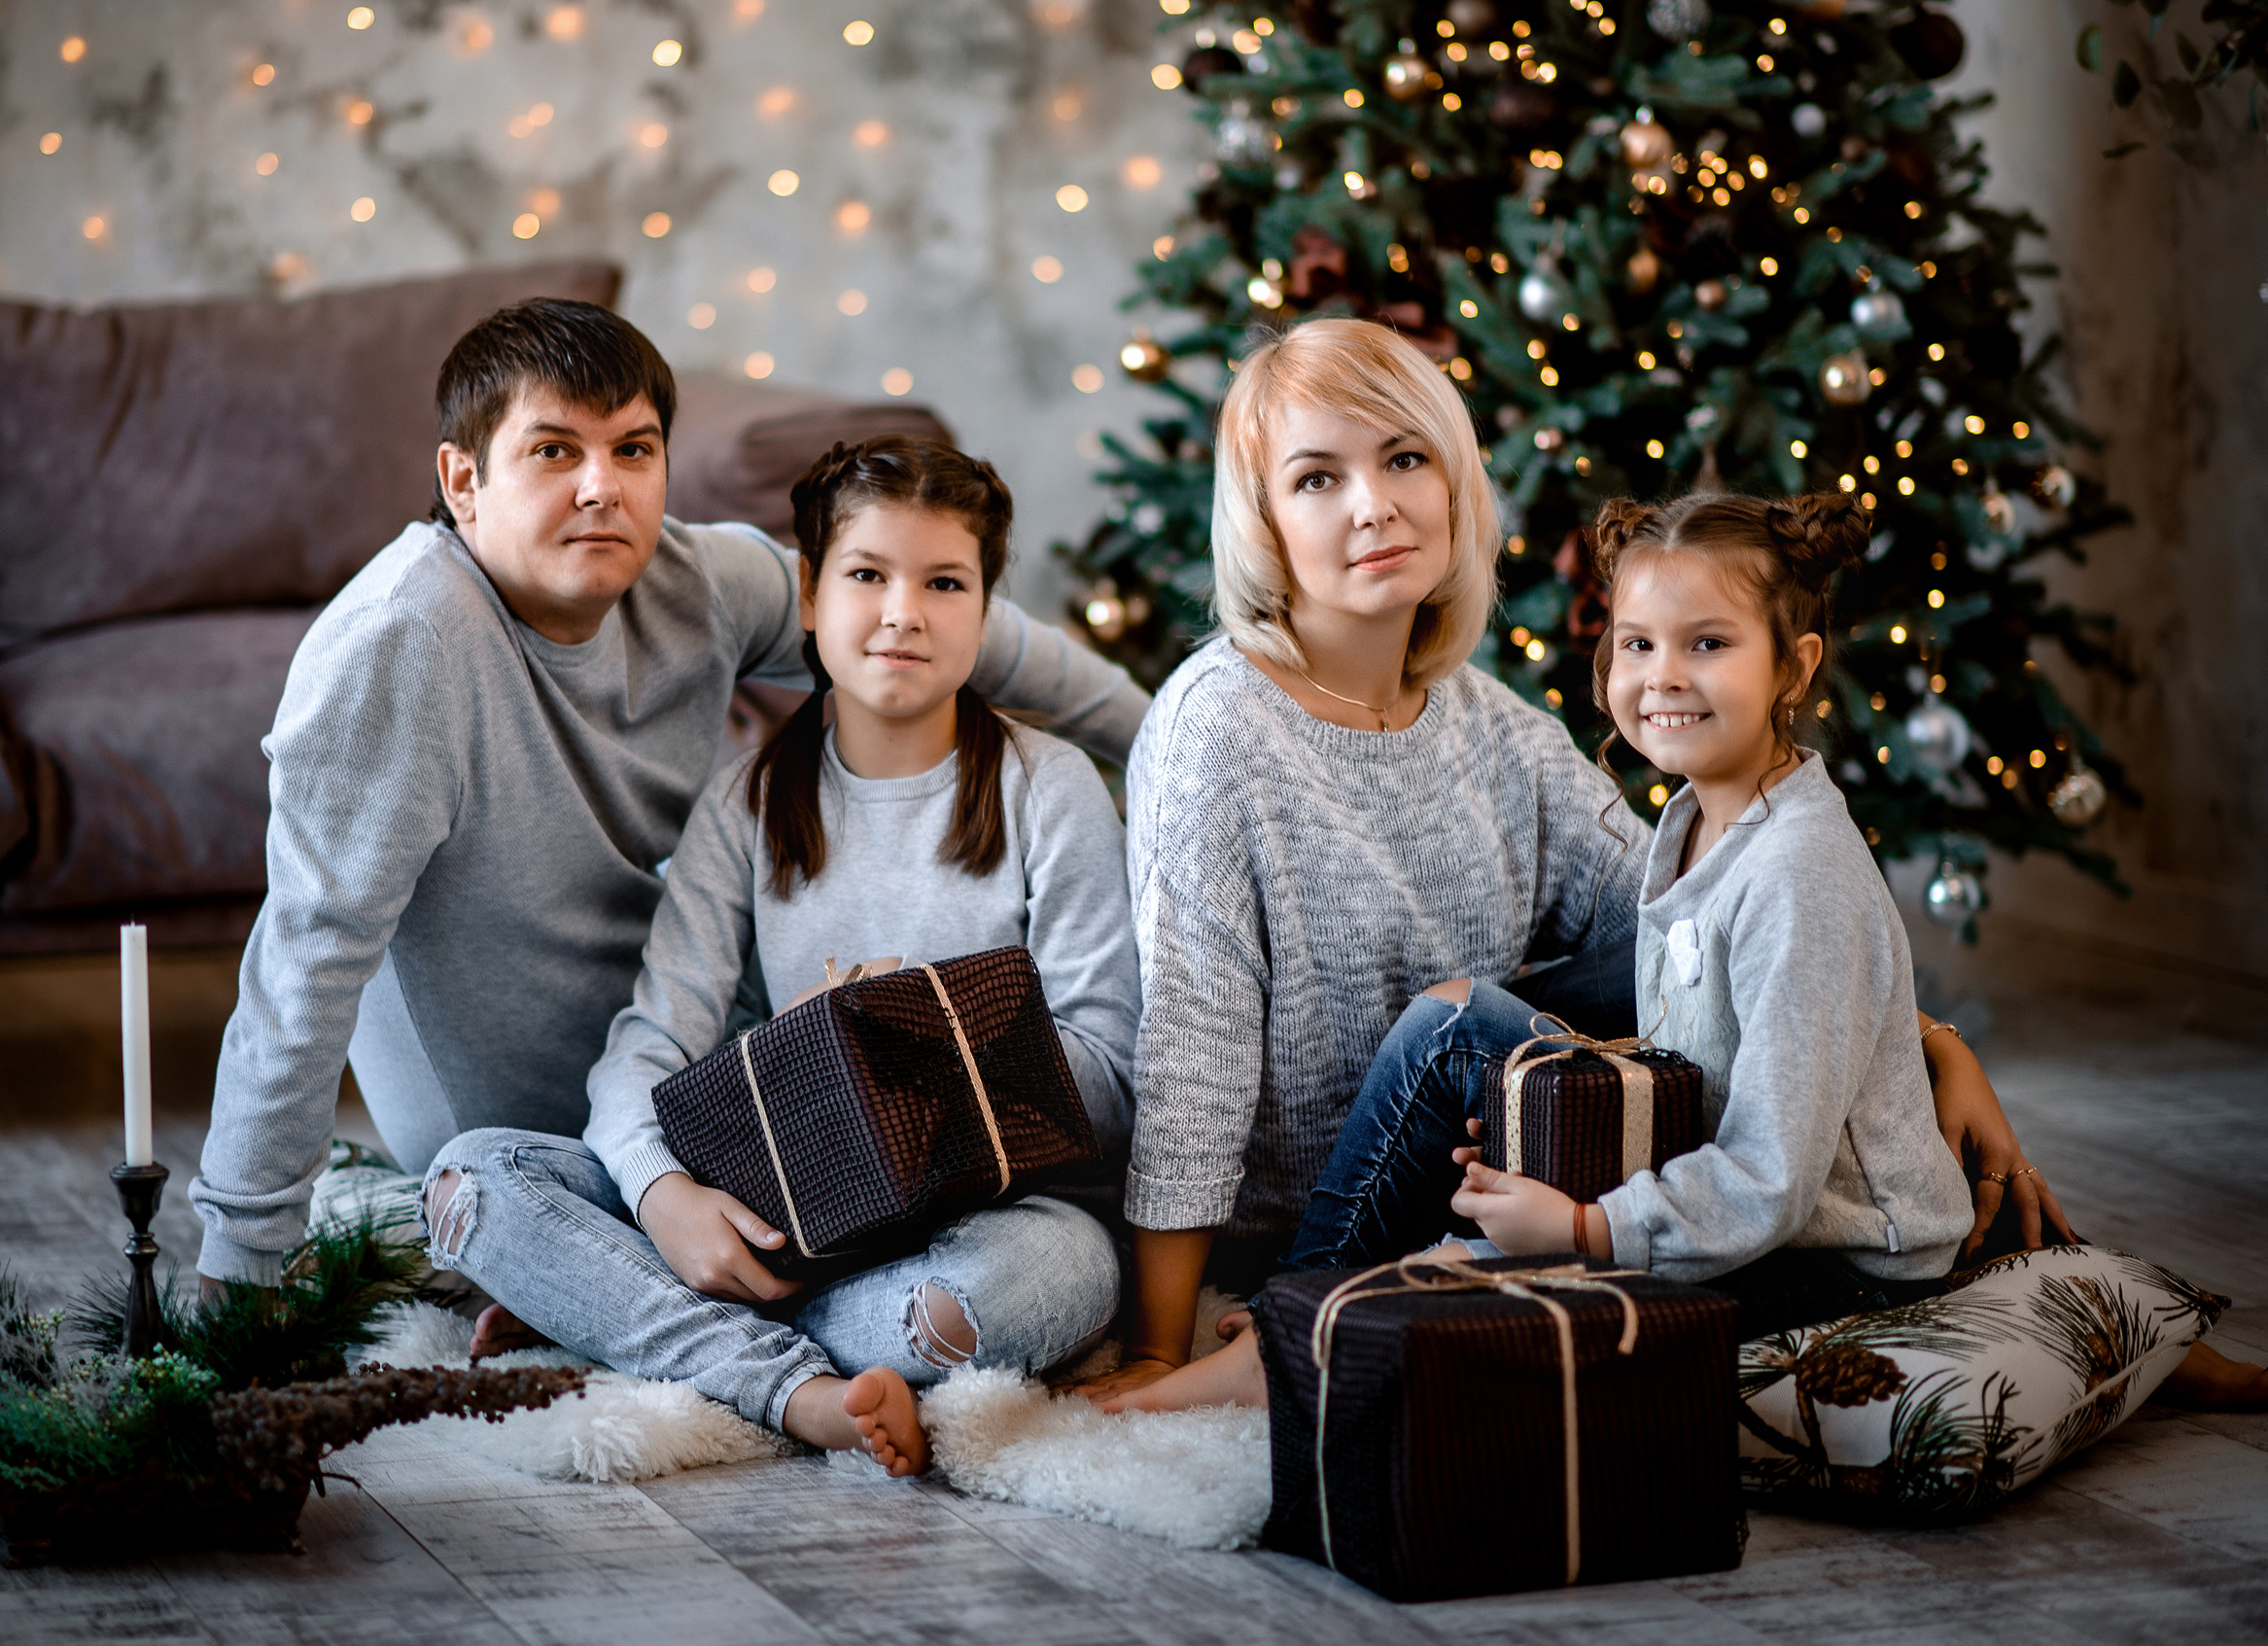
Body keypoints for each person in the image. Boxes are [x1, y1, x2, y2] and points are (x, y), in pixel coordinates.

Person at [1074, 317, 2067, 1409]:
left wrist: (1929, 1047)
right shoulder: (1215, 728)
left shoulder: (1492, 727)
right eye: (1318, 478)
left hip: (1492, 1177)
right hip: (1314, 1222)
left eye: (1404, 458)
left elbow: (1715, 925)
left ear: (1453, 483)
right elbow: (1193, 1049)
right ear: (1263, 521)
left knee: (1653, 933)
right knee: (1458, 1022)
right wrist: (1156, 1344)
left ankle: (1984, 1272)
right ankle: (1312, 1324)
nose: (1374, 505)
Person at [1104, 487, 2267, 1412]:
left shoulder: (1799, 872)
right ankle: (1305, 1319)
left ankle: (1286, 1341)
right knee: (1471, 1064)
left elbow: (1768, 1176)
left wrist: (1584, 1229)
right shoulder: (1696, 819)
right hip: (1747, 1211)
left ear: (1794, 666)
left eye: (1707, 644)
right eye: (1636, 643)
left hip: (1838, 1263)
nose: (1661, 677)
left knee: (1480, 1281)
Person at [187, 301, 1145, 1295]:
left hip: (698, 1086)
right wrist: (240, 1258)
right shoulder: (402, 644)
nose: (601, 486)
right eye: (554, 451)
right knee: (490, 1199)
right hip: (525, 1136)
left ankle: (623, 1287)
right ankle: (449, 1233)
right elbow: (304, 962)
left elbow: (934, 623)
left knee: (1006, 1261)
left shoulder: (699, 582)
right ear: (463, 481)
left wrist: (1164, 743)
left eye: (633, 449)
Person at [415, 438, 1137, 1474]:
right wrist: (663, 1198)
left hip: (989, 1223)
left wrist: (920, 1036)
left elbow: (1110, 1077)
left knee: (1022, 1291)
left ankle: (665, 1327)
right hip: (784, 1208)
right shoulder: (746, 801)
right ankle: (800, 1388)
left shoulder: (1050, 788)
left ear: (985, 609)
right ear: (808, 593)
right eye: (867, 574)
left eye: (945, 583)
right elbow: (646, 1047)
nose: (903, 612)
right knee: (471, 1181)